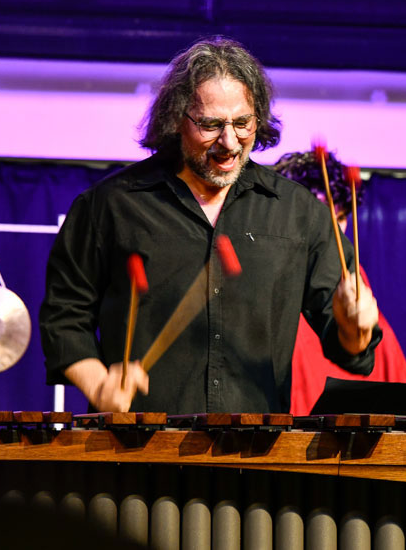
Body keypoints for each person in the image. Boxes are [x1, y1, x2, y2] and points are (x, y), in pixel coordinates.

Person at [38, 37, 381, 414]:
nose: (229, 142)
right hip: (138, 441)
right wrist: (97, 383)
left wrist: (355, 328)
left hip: (253, 446)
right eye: (211, 124)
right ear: (176, 118)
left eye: (242, 123)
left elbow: (352, 350)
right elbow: (64, 316)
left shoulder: (300, 213)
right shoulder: (110, 206)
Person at [274, 150, 406, 416]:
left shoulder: (356, 287)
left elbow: (401, 399)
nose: (332, 233)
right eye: (321, 220)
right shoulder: (271, 284)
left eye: (340, 218)